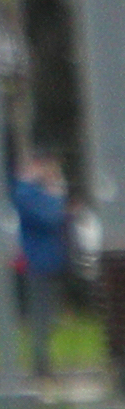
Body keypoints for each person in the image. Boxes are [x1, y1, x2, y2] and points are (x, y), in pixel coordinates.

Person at [10, 153, 72, 386]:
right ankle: (41, 367)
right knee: (41, 318)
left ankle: (43, 365)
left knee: (48, 317)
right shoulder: (26, 193)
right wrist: (56, 194)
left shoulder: (33, 192)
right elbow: (52, 217)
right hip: (38, 263)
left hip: (49, 261)